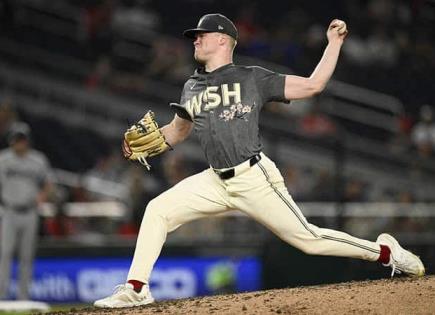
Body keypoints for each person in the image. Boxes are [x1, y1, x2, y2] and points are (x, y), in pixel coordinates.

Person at [94, 14, 425, 308]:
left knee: (309, 240)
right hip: (214, 180)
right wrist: (145, 144)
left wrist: (334, 43)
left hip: (254, 177)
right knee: (157, 210)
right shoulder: (192, 86)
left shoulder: (252, 77)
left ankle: (386, 252)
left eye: (201, 34)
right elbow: (177, 131)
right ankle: (136, 289)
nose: (195, 39)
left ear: (223, 40)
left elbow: (313, 85)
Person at [0, 122, 52, 300]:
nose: (20, 143)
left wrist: (42, 195)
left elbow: (48, 183)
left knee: (26, 256)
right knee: (4, 254)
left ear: (27, 141)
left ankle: (23, 297)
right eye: (16, 139)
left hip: (30, 212)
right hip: (9, 211)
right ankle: (1, 296)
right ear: (11, 141)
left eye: (22, 139)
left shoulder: (38, 160)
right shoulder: (3, 159)